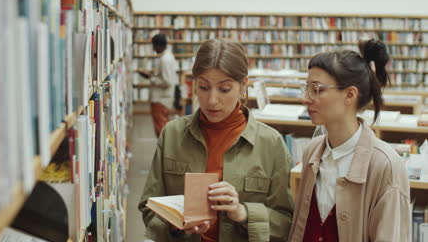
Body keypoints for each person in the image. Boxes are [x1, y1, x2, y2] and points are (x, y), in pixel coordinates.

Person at [139, 38, 294, 242]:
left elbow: (286, 223)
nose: (212, 100)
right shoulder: (173, 134)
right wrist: (176, 223)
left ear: (243, 85)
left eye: (224, 89)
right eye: (203, 87)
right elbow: (149, 207)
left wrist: (243, 213)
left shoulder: (271, 143)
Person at [288, 39, 410, 241]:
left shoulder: (385, 165)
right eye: (306, 87)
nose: (306, 98)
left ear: (349, 94)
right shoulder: (312, 152)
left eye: (317, 89)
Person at [137, 33, 178, 137]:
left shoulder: (165, 60)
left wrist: (151, 78)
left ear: (159, 45)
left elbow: (167, 81)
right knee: (163, 127)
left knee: (161, 129)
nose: (153, 48)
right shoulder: (168, 57)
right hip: (164, 98)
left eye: (154, 45)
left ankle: (165, 151)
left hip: (161, 99)